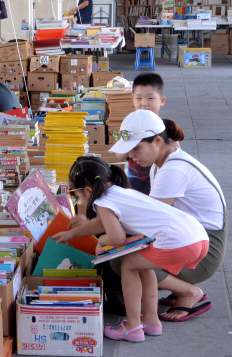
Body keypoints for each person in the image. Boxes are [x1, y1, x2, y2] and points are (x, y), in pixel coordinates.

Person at [52, 156, 209, 342]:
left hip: (180, 242)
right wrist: (72, 234)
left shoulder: (100, 202)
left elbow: (116, 238)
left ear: (87, 190)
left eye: (75, 195)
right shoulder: (119, 192)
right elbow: (103, 222)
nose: (77, 199)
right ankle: (151, 320)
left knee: (128, 265)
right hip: (197, 237)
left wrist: (102, 240)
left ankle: (133, 326)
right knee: (142, 265)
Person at [109, 110, 226, 322]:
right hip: (196, 239)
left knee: (122, 259)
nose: (130, 156)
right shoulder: (164, 160)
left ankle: (189, 292)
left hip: (206, 252)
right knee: (125, 244)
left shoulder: (174, 169)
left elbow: (149, 222)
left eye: (135, 148)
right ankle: (177, 286)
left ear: (156, 141)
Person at [121, 73, 168, 195]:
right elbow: (119, 157)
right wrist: (128, 143)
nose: (144, 103)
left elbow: (176, 157)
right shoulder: (129, 127)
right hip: (133, 187)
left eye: (150, 98)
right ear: (133, 100)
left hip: (160, 186)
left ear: (162, 101)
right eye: (138, 98)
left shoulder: (167, 128)